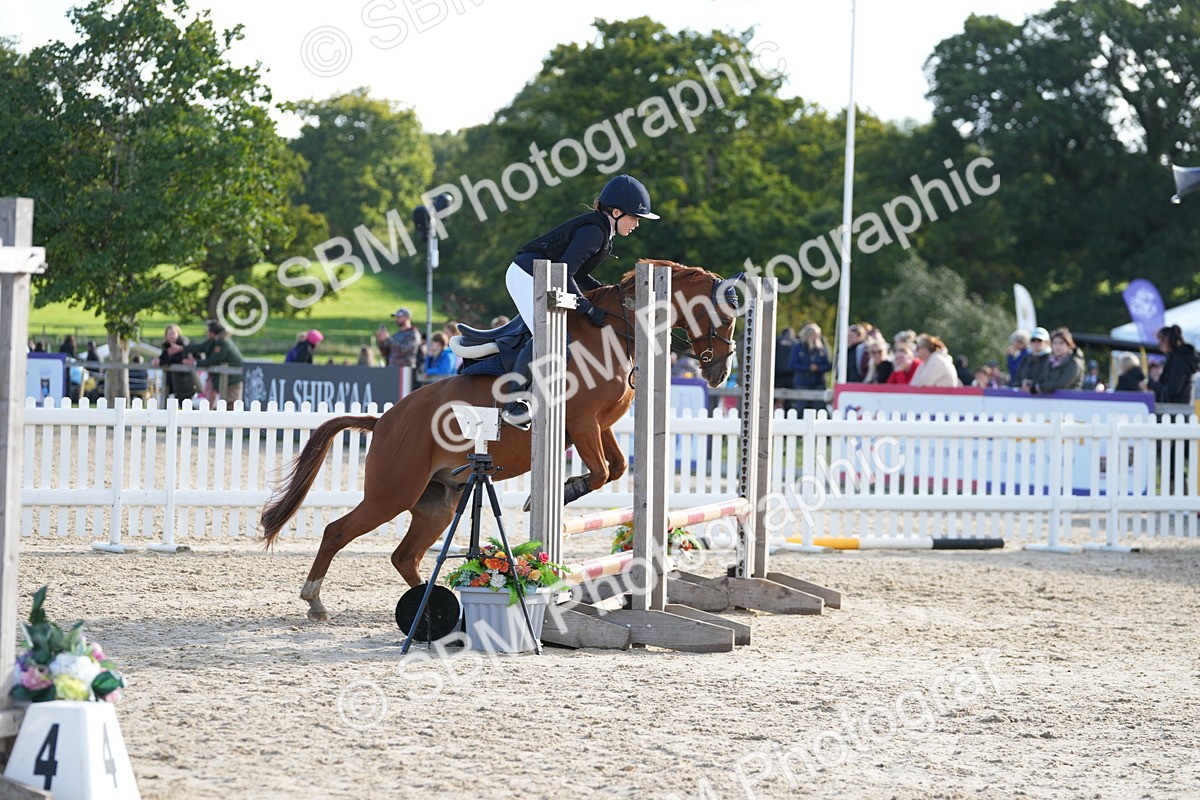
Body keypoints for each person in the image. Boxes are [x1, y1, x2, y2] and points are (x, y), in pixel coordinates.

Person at [499, 173, 659, 430]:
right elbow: (565, 272)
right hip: (526, 275)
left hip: (545, 277)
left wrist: (605, 292)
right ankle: (513, 404)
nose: (636, 224)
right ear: (616, 212)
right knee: (549, 335)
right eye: (634, 217)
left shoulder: (604, 232)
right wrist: (587, 308)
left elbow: (578, 274)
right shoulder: (595, 232)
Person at [173, 320, 244, 406]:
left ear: (212, 333)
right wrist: (182, 348)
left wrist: (195, 362)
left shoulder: (222, 343)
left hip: (233, 381)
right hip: (226, 379)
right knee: (224, 403)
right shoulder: (215, 341)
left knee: (231, 403)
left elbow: (214, 360)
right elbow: (201, 347)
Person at [1148, 324, 1199, 404]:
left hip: (1174, 410)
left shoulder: (1179, 361)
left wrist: (1151, 384)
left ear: (1167, 340)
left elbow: (1172, 390)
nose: (1158, 344)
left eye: (1161, 340)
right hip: (1179, 409)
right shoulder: (1179, 359)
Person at [151, 324, 200, 400]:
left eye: (173, 333)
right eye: (169, 334)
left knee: (185, 403)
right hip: (172, 381)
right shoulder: (167, 346)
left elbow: (177, 359)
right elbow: (164, 357)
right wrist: (157, 360)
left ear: (178, 334)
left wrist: (161, 361)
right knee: (169, 403)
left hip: (185, 380)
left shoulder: (183, 344)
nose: (172, 336)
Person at [1029, 327, 1083, 394]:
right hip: (1051, 401)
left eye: (1061, 343)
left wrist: (1039, 387)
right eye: (1055, 343)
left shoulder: (1074, 362)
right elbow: (1042, 379)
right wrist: (1031, 384)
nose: (1057, 346)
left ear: (1069, 345)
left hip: (1071, 400)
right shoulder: (1050, 361)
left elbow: (1062, 384)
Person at [774, 327, 796, 409]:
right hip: (791, 377)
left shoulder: (776, 341)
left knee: (774, 401)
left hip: (777, 376)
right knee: (789, 403)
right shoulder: (795, 342)